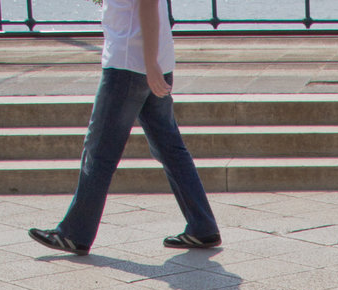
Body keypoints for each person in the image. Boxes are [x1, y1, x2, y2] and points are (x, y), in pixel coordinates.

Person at [27, 0, 219, 257]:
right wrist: (153, 65)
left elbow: (148, 4)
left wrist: (150, 65)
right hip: (150, 61)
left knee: (99, 151)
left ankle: (75, 233)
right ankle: (202, 226)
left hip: (129, 65)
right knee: (169, 147)